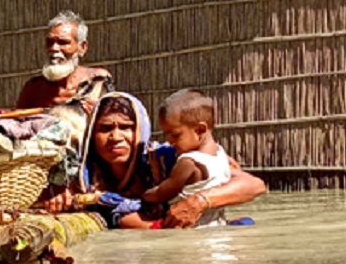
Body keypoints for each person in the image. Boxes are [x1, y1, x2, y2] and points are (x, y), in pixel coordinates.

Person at [42, 92, 265, 229]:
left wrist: (200, 201)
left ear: (140, 130)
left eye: (126, 127)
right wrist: (58, 200)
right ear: (92, 135)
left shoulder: (171, 158)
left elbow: (254, 185)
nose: (116, 137)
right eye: (106, 128)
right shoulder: (79, 175)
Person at [139, 90, 231, 227]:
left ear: (200, 130)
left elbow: (162, 194)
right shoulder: (220, 153)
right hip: (217, 226)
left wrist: (141, 195)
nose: (169, 141)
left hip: (191, 231)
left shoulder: (189, 162)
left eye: (175, 135)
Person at [16, 11, 112, 110]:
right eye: (50, 42)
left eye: (63, 42)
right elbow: (17, 118)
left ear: (82, 47)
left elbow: (113, 115)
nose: (54, 48)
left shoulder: (97, 80)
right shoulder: (34, 89)